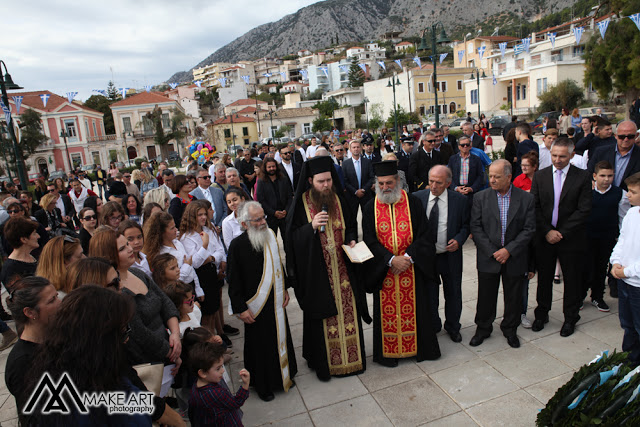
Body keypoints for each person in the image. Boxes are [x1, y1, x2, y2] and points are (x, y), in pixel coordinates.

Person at [21, 285, 153, 425]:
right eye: (121, 333)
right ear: (98, 340)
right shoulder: (81, 403)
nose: (126, 339)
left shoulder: (89, 371)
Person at [285, 156, 368, 379]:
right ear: (310, 180)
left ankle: (353, 360)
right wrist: (310, 227)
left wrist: (351, 239)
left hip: (343, 271)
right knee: (321, 317)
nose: (326, 185)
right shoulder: (301, 204)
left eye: (329, 180)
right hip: (318, 274)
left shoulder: (339, 199)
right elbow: (290, 239)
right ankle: (325, 364)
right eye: (321, 181)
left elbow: (351, 225)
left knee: (349, 312)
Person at [362, 160, 441, 365]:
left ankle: (419, 349)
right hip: (385, 270)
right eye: (381, 184)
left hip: (411, 268)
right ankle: (389, 354)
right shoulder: (370, 207)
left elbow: (424, 235)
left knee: (417, 310)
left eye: (389, 183)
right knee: (387, 313)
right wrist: (390, 259)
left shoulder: (412, 202)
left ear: (397, 181)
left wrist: (407, 258)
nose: (385, 188)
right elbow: (369, 240)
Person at [228, 201, 297, 401]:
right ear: (244, 224)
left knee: (281, 337)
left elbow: (278, 264)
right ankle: (263, 385)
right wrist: (240, 308)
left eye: (263, 217)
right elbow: (233, 280)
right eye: (257, 220)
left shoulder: (270, 237)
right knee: (261, 347)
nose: (262, 222)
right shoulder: (237, 246)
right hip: (254, 306)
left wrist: (283, 288)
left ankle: (286, 374)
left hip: (275, 302)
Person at [89, 228, 183, 366]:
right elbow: (139, 333)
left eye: (127, 244)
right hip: (148, 362)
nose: (130, 249)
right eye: (122, 248)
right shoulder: (115, 291)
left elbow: (165, 301)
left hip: (168, 347)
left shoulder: (137, 273)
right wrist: (171, 354)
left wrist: (175, 334)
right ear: (108, 256)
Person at [469, 160, 535, 348]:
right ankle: (483, 328)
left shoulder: (526, 199)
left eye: (497, 177)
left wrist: (509, 250)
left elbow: (529, 229)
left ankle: (510, 329)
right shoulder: (481, 198)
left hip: (514, 257)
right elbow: (476, 227)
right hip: (489, 257)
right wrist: (493, 251)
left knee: (513, 296)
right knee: (485, 296)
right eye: (490, 176)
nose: (492, 180)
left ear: (508, 177)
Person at [531, 138, 592, 337]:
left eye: (562, 156)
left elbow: (584, 209)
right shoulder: (540, 176)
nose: (557, 159)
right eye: (554, 155)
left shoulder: (582, 177)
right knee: (545, 279)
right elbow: (535, 207)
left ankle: (570, 317)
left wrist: (562, 232)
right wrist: (547, 231)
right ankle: (542, 314)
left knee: (572, 280)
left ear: (572, 155)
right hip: (545, 237)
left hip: (571, 238)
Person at [414, 165, 470, 342]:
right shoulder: (417, 198)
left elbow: (467, 225)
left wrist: (459, 240)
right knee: (429, 294)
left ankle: (453, 326)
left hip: (449, 256)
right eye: (431, 181)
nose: (433, 186)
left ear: (448, 183)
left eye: (438, 182)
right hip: (427, 258)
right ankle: (433, 324)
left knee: (453, 292)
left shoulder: (459, 201)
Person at [5, 277, 60, 414]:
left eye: (57, 296)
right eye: (52, 300)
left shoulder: (57, 337)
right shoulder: (23, 363)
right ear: (30, 312)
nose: (60, 303)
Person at [180, 201, 227, 342]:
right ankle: (209, 343)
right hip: (200, 277)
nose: (203, 218)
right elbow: (194, 262)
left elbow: (219, 251)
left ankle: (214, 338)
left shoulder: (208, 230)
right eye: (199, 215)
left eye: (204, 214)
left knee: (213, 310)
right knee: (206, 313)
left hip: (211, 272)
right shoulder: (186, 237)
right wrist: (205, 245)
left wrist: (211, 257)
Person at [580, 161, 625, 311]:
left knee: (601, 268)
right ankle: (580, 296)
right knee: (585, 268)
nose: (606, 179)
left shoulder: (619, 194)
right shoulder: (587, 192)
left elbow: (622, 218)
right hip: (587, 236)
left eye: (610, 176)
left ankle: (597, 297)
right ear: (595, 176)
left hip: (607, 237)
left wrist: (620, 239)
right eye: (603, 176)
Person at [610, 172, 640, 364]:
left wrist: (626, 271)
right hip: (624, 281)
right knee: (627, 325)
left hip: (637, 283)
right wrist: (615, 262)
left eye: (633, 192)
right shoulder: (631, 213)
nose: (628, 195)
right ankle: (629, 360)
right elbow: (622, 240)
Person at [143, 211, 204, 299]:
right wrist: (186, 266)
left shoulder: (177, 243)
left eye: (175, 226)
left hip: (191, 286)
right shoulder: (160, 253)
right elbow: (172, 279)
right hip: (178, 293)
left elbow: (191, 268)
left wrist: (198, 289)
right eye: (172, 228)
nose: (176, 230)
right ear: (161, 232)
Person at [188, 342, 249, 426]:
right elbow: (236, 403)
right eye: (218, 368)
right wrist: (245, 385)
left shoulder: (195, 388)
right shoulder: (217, 393)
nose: (222, 371)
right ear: (202, 373)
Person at [588, 120, 640, 191]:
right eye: (621, 136)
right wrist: (591, 181)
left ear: (636, 136)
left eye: (630, 136)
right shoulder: (601, 152)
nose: (626, 139)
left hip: (630, 199)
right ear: (615, 136)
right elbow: (588, 173)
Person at [0, 216, 40, 291]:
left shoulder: (32, 256)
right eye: (34, 234)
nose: (38, 236)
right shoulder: (10, 269)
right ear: (24, 239)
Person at [256, 157, 293, 238]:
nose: (272, 169)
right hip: (270, 217)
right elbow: (261, 200)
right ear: (265, 168)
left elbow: (290, 197)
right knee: (272, 241)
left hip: (285, 215)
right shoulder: (261, 182)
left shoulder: (283, 179)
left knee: (288, 240)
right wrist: (273, 213)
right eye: (269, 167)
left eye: (273, 166)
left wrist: (286, 211)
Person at [342, 139, 375, 219]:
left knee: (367, 218)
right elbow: (345, 180)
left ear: (360, 148)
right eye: (354, 147)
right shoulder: (345, 164)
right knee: (352, 219)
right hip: (352, 196)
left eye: (357, 147)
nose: (356, 149)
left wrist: (363, 190)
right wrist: (355, 191)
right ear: (350, 149)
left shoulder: (367, 162)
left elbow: (371, 178)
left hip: (366, 194)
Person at [447, 136, 484, 204]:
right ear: (459, 147)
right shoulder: (453, 159)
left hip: (471, 193)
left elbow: (480, 176)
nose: (465, 147)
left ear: (470, 146)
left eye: (467, 145)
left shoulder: (476, 159)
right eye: (462, 145)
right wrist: (455, 188)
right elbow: (449, 176)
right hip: (456, 192)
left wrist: (472, 188)